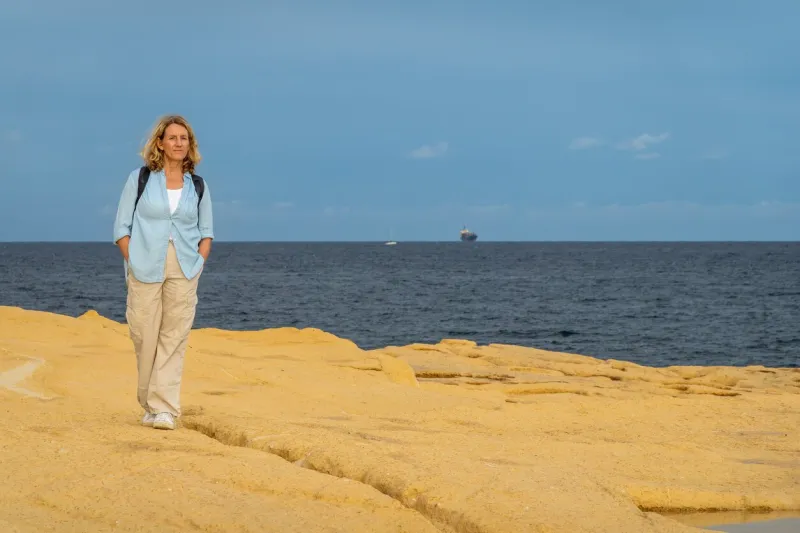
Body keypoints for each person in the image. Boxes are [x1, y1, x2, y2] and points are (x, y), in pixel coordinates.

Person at [112, 115, 214, 430]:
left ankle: (165, 408)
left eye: (184, 138)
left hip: (184, 266)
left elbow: (206, 231)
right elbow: (121, 227)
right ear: (160, 143)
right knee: (144, 333)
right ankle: (149, 401)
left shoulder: (197, 185)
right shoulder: (139, 179)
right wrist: (132, 257)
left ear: (190, 144)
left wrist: (198, 262)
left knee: (175, 336)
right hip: (144, 265)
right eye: (172, 138)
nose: (178, 143)